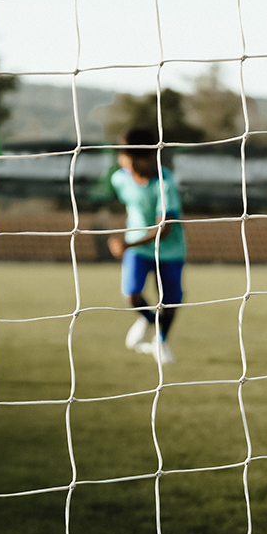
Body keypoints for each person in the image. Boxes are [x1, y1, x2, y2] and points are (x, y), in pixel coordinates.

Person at [107, 127, 185, 365]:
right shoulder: (119, 178)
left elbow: (165, 227)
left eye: (124, 152)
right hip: (139, 249)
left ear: (142, 157)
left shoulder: (165, 182)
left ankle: (160, 341)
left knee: (170, 302)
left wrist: (128, 242)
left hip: (169, 250)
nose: (119, 157)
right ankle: (149, 321)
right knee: (131, 295)